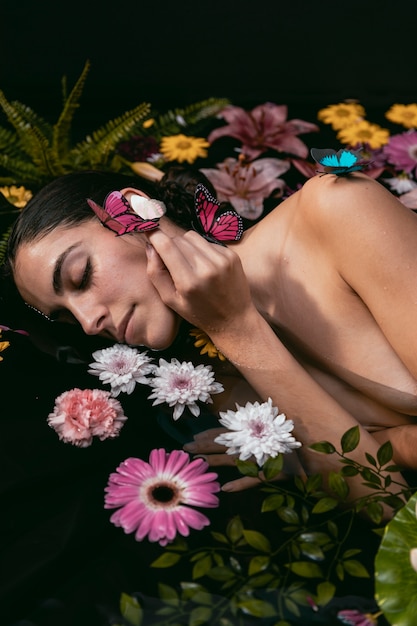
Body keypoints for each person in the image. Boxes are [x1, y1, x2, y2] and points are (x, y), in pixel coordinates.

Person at [4, 166, 417, 520]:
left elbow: (362, 467)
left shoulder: (338, 207)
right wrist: (235, 330)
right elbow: (385, 507)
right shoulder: (198, 378)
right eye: (63, 316)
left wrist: (336, 454)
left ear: (134, 209)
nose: (88, 322)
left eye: (81, 276)